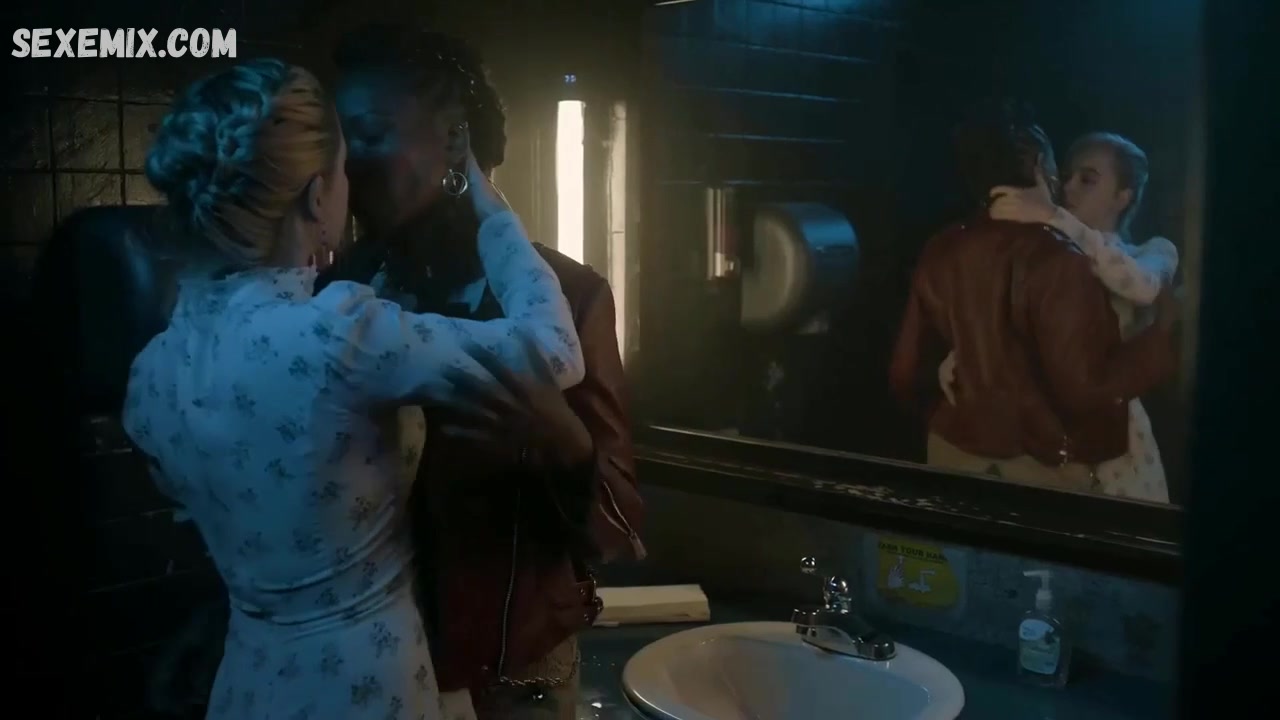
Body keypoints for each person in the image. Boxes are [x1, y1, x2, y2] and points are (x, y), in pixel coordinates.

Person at [120, 58, 586, 720]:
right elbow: (554, 353)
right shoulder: (339, 333)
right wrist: (495, 215)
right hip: (366, 685)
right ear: (317, 197)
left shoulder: (152, 373)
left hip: (249, 684)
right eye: (345, 166)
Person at [325, 26, 643, 720]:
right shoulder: (340, 293)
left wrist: (562, 441)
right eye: (340, 141)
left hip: (513, 681)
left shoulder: (567, 297)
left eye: (370, 134)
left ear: (454, 141)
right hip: (364, 673)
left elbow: (619, 528)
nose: (350, 162)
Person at [888, 103, 1178, 491]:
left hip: (1099, 440)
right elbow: (1080, 387)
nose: (1068, 187)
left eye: (1087, 180)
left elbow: (1139, 283)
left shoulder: (1145, 251)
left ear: (1124, 196)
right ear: (1043, 166)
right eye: (1066, 173)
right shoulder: (1061, 256)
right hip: (1053, 452)